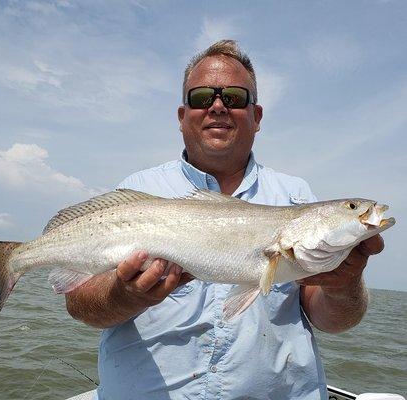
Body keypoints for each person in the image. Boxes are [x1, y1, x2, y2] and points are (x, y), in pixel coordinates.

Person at [65, 40, 385, 400]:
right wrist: (124, 295)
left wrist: (344, 284)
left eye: (234, 97)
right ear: (182, 116)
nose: (218, 107)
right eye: (202, 98)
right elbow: (79, 304)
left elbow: (333, 321)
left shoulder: (296, 195)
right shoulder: (136, 191)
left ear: (257, 116)